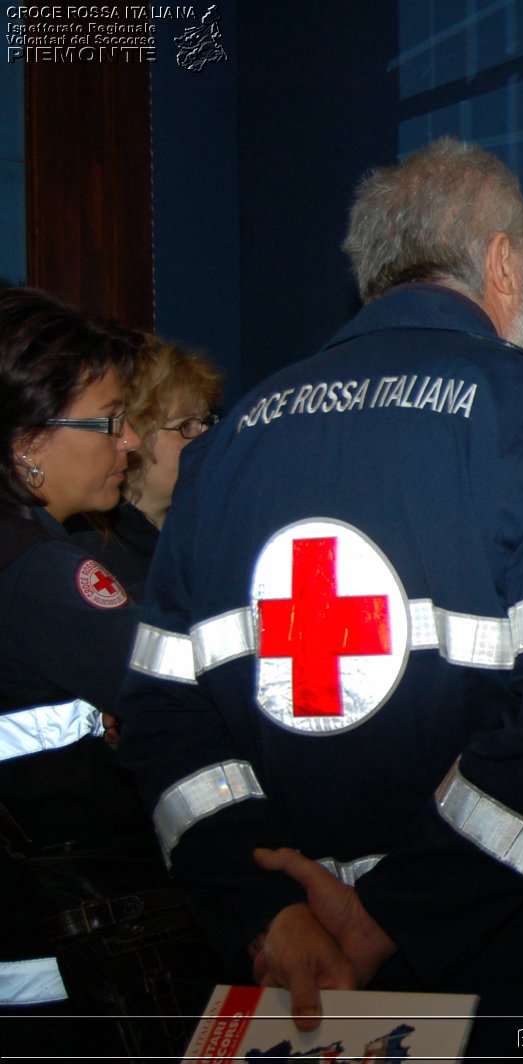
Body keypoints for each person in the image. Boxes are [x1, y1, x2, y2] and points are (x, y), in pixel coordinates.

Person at [115, 138, 523, 1041]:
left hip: (296, 966)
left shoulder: (225, 449)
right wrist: (396, 912)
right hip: (514, 949)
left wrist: (269, 912)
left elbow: (163, 721)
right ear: (498, 260)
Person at [0, 286, 215, 1058]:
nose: (126, 443)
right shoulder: (37, 572)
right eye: (107, 421)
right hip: (59, 970)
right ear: (26, 438)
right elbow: (188, 693)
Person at [70, 337, 223, 601]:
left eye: (206, 422)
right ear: (134, 433)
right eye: (186, 425)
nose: (206, 438)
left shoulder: (201, 534)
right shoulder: (91, 555)